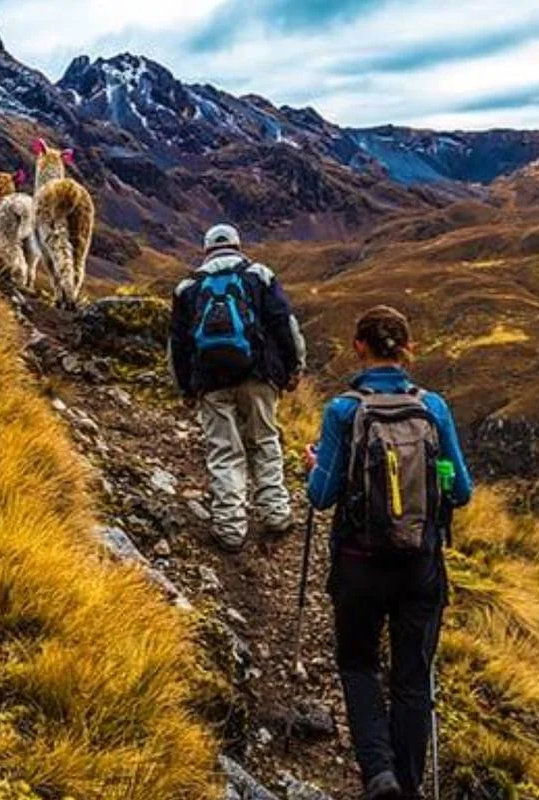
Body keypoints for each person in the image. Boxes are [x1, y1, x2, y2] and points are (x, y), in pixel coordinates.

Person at [303, 306, 473, 800]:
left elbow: (320, 497)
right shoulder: (434, 408)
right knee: (412, 675)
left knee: (357, 664)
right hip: (420, 564)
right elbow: (460, 491)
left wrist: (315, 465)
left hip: (359, 563)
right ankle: (412, 784)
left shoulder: (342, 411)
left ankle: (379, 774)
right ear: (406, 347)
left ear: (359, 346)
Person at [171, 224, 306, 552]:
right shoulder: (259, 275)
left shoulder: (187, 287)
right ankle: (275, 513)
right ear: (237, 246)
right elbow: (284, 325)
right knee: (264, 441)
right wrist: (293, 367)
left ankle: (230, 528)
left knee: (224, 451)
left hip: (210, 381)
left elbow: (178, 344)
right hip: (258, 375)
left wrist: (186, 387)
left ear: (206, 250)